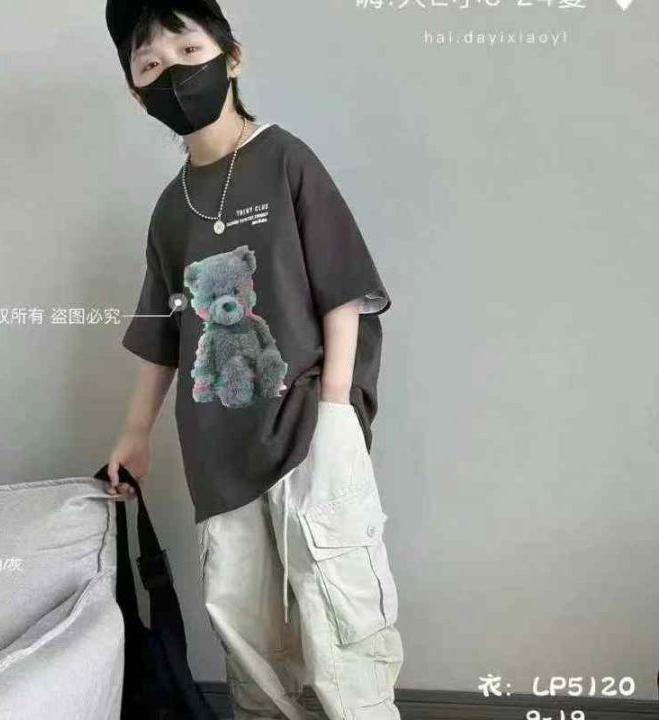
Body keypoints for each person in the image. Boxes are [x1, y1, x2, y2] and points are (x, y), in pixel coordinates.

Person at [103, 2, 404, 718]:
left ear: (231, 57)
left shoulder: (284, 158)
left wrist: (336, 410)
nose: (175, 73)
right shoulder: (170, 209)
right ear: (137, 93)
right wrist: (134, 435)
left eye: (189, 50)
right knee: (249, 638)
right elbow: (165, 332)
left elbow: (343, 290)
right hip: (218, 455)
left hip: (308, 428)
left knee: (343, 624)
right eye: (151, 64)